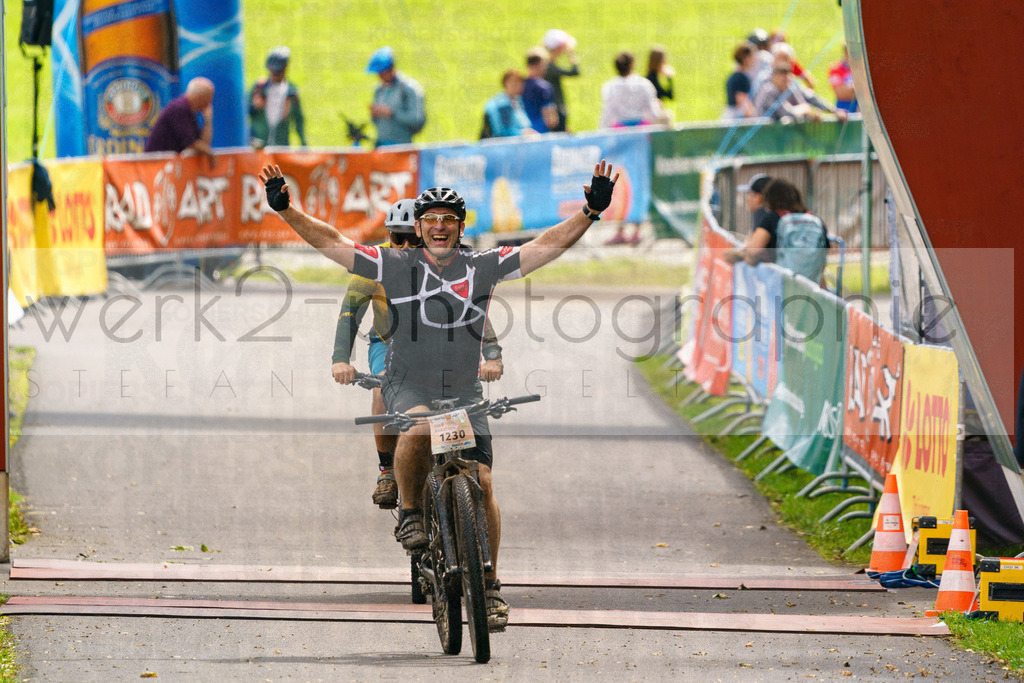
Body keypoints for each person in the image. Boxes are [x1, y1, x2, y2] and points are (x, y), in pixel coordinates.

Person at [258, 159, 619, 632]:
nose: (440, 227)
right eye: (431, 220)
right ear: (420, 227)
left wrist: (590, 211)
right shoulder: (395, 263)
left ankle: (488, 587)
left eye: (449, 220)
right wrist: (287, 210)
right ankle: (410, 512)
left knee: (484, 482)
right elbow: (333, 243)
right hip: (408, 382)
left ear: (461, 227)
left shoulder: (481, 267)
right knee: (420, 430)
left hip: (463, 388)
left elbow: (543, 247)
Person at [330, 198, 506, 509]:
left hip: (434, 343)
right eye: (398, 239)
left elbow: (474, 313)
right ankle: (387, 469)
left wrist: (492, 353)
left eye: (412, 240)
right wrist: (340, 360)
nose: (405, 246)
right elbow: (349, 313)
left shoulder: (440, 264)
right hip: (388, 340)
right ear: (389, 236)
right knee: (384, 385)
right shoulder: (377, 265)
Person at [761, 178, 829, 282]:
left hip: (781, 284)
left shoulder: (772, 219)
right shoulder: (815, 221)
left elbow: (753, 249)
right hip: (812, 285)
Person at [144, 77, 215, 167]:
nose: (209, 104)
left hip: (166, 164)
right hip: (155, 164)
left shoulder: (190, 112)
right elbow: (192, 144)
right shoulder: (179, 108)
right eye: (209, 99)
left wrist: (208, 121)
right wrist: (210, 154)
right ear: (200, 97)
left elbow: (203, 144)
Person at [366, 46, 426, 147]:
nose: (380, 76)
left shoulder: (409, 89)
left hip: (401, 148)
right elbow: (377, 123)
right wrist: (375, 114)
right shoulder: (379, 90)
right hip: (380, 145)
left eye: (382, 73)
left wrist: (392, 113)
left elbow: (417, 120)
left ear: (391, 68)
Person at [249, 46, 307, 148]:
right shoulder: (258, 88)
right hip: (258, 148)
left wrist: (303, 144)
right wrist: (254, 107)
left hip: (281, 147)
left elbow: (299, 121)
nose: (274, 75)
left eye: (278, 72)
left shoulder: (292, 92)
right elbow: (242, 113)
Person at [598, 51, 667, 129]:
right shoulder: (643, 84)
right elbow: (652, 111)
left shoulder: (610, 87)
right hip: (641, 128)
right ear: (632, 65)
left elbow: (608, 113)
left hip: (619, 129)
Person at [754, 66, 848, 123]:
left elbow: (811, 98)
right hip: (764, 139)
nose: (785, 81)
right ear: (774, 78)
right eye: (782, 77)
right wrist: (806, 110)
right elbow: (786, 113)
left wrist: (834, 110)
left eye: (787, 77)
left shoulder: (790, 87)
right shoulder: (769, 91)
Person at [723, 173, 780, 266]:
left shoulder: (763, 214)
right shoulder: (775, 213)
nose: (747, 198)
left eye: (749, 194)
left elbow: (754, 251)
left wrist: (738, 254)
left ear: (758, 197)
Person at [541, 29, 580, 132]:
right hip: (556, 112)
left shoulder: (548, 66)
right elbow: (574, 72)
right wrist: (572, 57)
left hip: (554, 111)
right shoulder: (549, 68)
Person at [482, 70, 534, 138]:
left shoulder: (518, 101)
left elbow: (525, 124)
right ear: (505, 83)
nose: (516, 85)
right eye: (513, 82)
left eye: (519, 82)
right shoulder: (501, 104)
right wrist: (522, 134)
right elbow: (502, 132)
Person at [522, 47, 559, 134]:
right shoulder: (544, 87)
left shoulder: (519, 85)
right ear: (540, 64)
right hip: (540, 134)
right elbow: (551, 120)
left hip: (522, 134)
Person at [723, 42, 757, 120]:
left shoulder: (735, 75)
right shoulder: (741, 78)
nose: (754, 60)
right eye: (752, 57)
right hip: (736, 119)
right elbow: (743, 103)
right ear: (746, 58)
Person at [829, 45, 859, 113]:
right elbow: (840, 93)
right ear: (846, 53)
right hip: (844, 111)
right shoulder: (835, 68)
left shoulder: (863, 68)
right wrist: (860, 88)